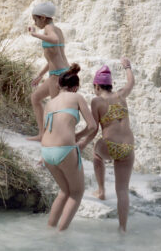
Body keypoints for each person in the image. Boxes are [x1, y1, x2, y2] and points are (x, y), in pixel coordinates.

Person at [41, 64, 97, 231]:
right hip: (64, 150)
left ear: (58, 85)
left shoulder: (49, 103)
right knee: (77, 193)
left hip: (46, 151)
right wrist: (78, 138)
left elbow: (46, 130)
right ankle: (60, 235)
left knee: (64, 191)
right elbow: (93, 126)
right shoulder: (77, 97)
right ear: (76, 87)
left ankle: (49, 230)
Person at [91, 58, 135, 232]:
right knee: (122, 190)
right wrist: (127, 67)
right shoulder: (121, 95)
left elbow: (94, 128)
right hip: (128, 148)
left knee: (96, 152)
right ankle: (122, 228)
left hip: (110, 146)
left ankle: (101, 190)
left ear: (96, 86)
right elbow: (131, 82)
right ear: (110, 85)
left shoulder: (97, 102)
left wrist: (81, 141)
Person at [27, 1, 70, 140]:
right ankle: (42, 134)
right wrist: (40, 75)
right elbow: (54, 57)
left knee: (56, 110)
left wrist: (35, 35)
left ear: (43, 18)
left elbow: (54, 39)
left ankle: (56, 141)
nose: (35, 23)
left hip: (57, 76)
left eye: (36, 19)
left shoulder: (49, 30)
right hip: (61, 71)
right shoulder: (57, 29)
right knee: (35, 98)